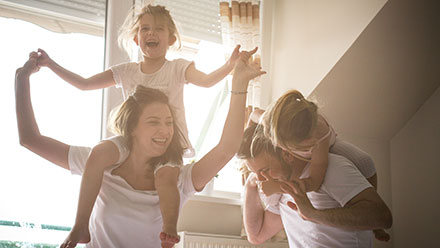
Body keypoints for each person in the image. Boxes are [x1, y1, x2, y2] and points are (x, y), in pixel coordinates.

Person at [34, 4, 242, 246]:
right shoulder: (126, 71)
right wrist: (50, 64)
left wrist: (230, 66)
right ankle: (80, 225)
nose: (151, 33)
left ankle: (169, 229)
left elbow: (206, 81)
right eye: (145, 29)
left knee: (165, 178)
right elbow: (84, 84)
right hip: (131, 140)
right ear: (136, 38)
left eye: (159, 29)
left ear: (171, 38)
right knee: (98, 153)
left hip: (168, 142)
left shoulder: (177, 68)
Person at [15, 48, 264, 248]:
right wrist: (22, 78)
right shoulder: (99, 164)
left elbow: (226, 148)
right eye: (154, 122)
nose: (165, 131)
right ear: (132, 127)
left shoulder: (178, 180)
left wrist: (239, 82)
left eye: (169, 122)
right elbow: (31, 139)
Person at [257, 89, 390, 241]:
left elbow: (314, 182)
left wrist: (279, 187)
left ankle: (376, 227)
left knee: (365, 161)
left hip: (330, 144)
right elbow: (255, 116)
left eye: (305, 147)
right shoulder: (269, 122)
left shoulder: (318, 138)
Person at [237, 123, 392, 247]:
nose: (261, 178)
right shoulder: (279, 187)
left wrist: (313, 215)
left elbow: (382, 217)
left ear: (287, 154)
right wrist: (251, 184)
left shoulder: (332, 168)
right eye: (254, 171)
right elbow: (256, 236)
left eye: (265, 170)